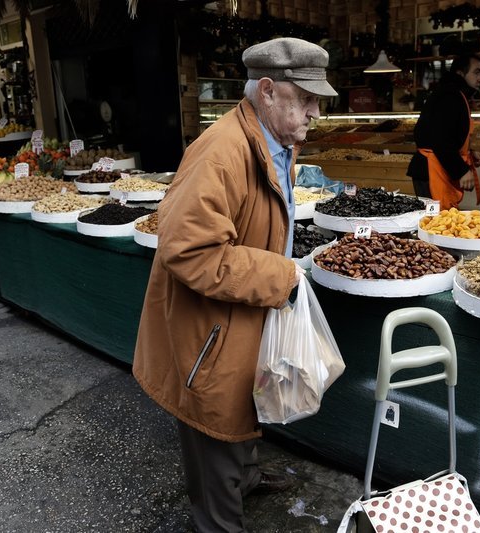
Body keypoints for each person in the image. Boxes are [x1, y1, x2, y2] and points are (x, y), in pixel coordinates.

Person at [132, 37, 337, 532]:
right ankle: (219, 518)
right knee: (215, 430)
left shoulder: (273, 140)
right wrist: (281, 274)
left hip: (239, 314)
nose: (316, 112)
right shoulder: (220, 153)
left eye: (317, 100)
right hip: (209, 331)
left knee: (245, 404)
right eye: (306, 99)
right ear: (267, 91)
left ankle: (246, 477)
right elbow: (190, 251)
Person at [407, 53, 480, 209]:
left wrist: (468, 153)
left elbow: (448, 133)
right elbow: (440, 139)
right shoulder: (449, 95)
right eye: (477, 72)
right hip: (431, 170)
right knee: (435, 221)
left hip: (436, 167)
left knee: (442, 219)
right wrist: (461, 170)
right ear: (460, 73)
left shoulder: (454, 93)